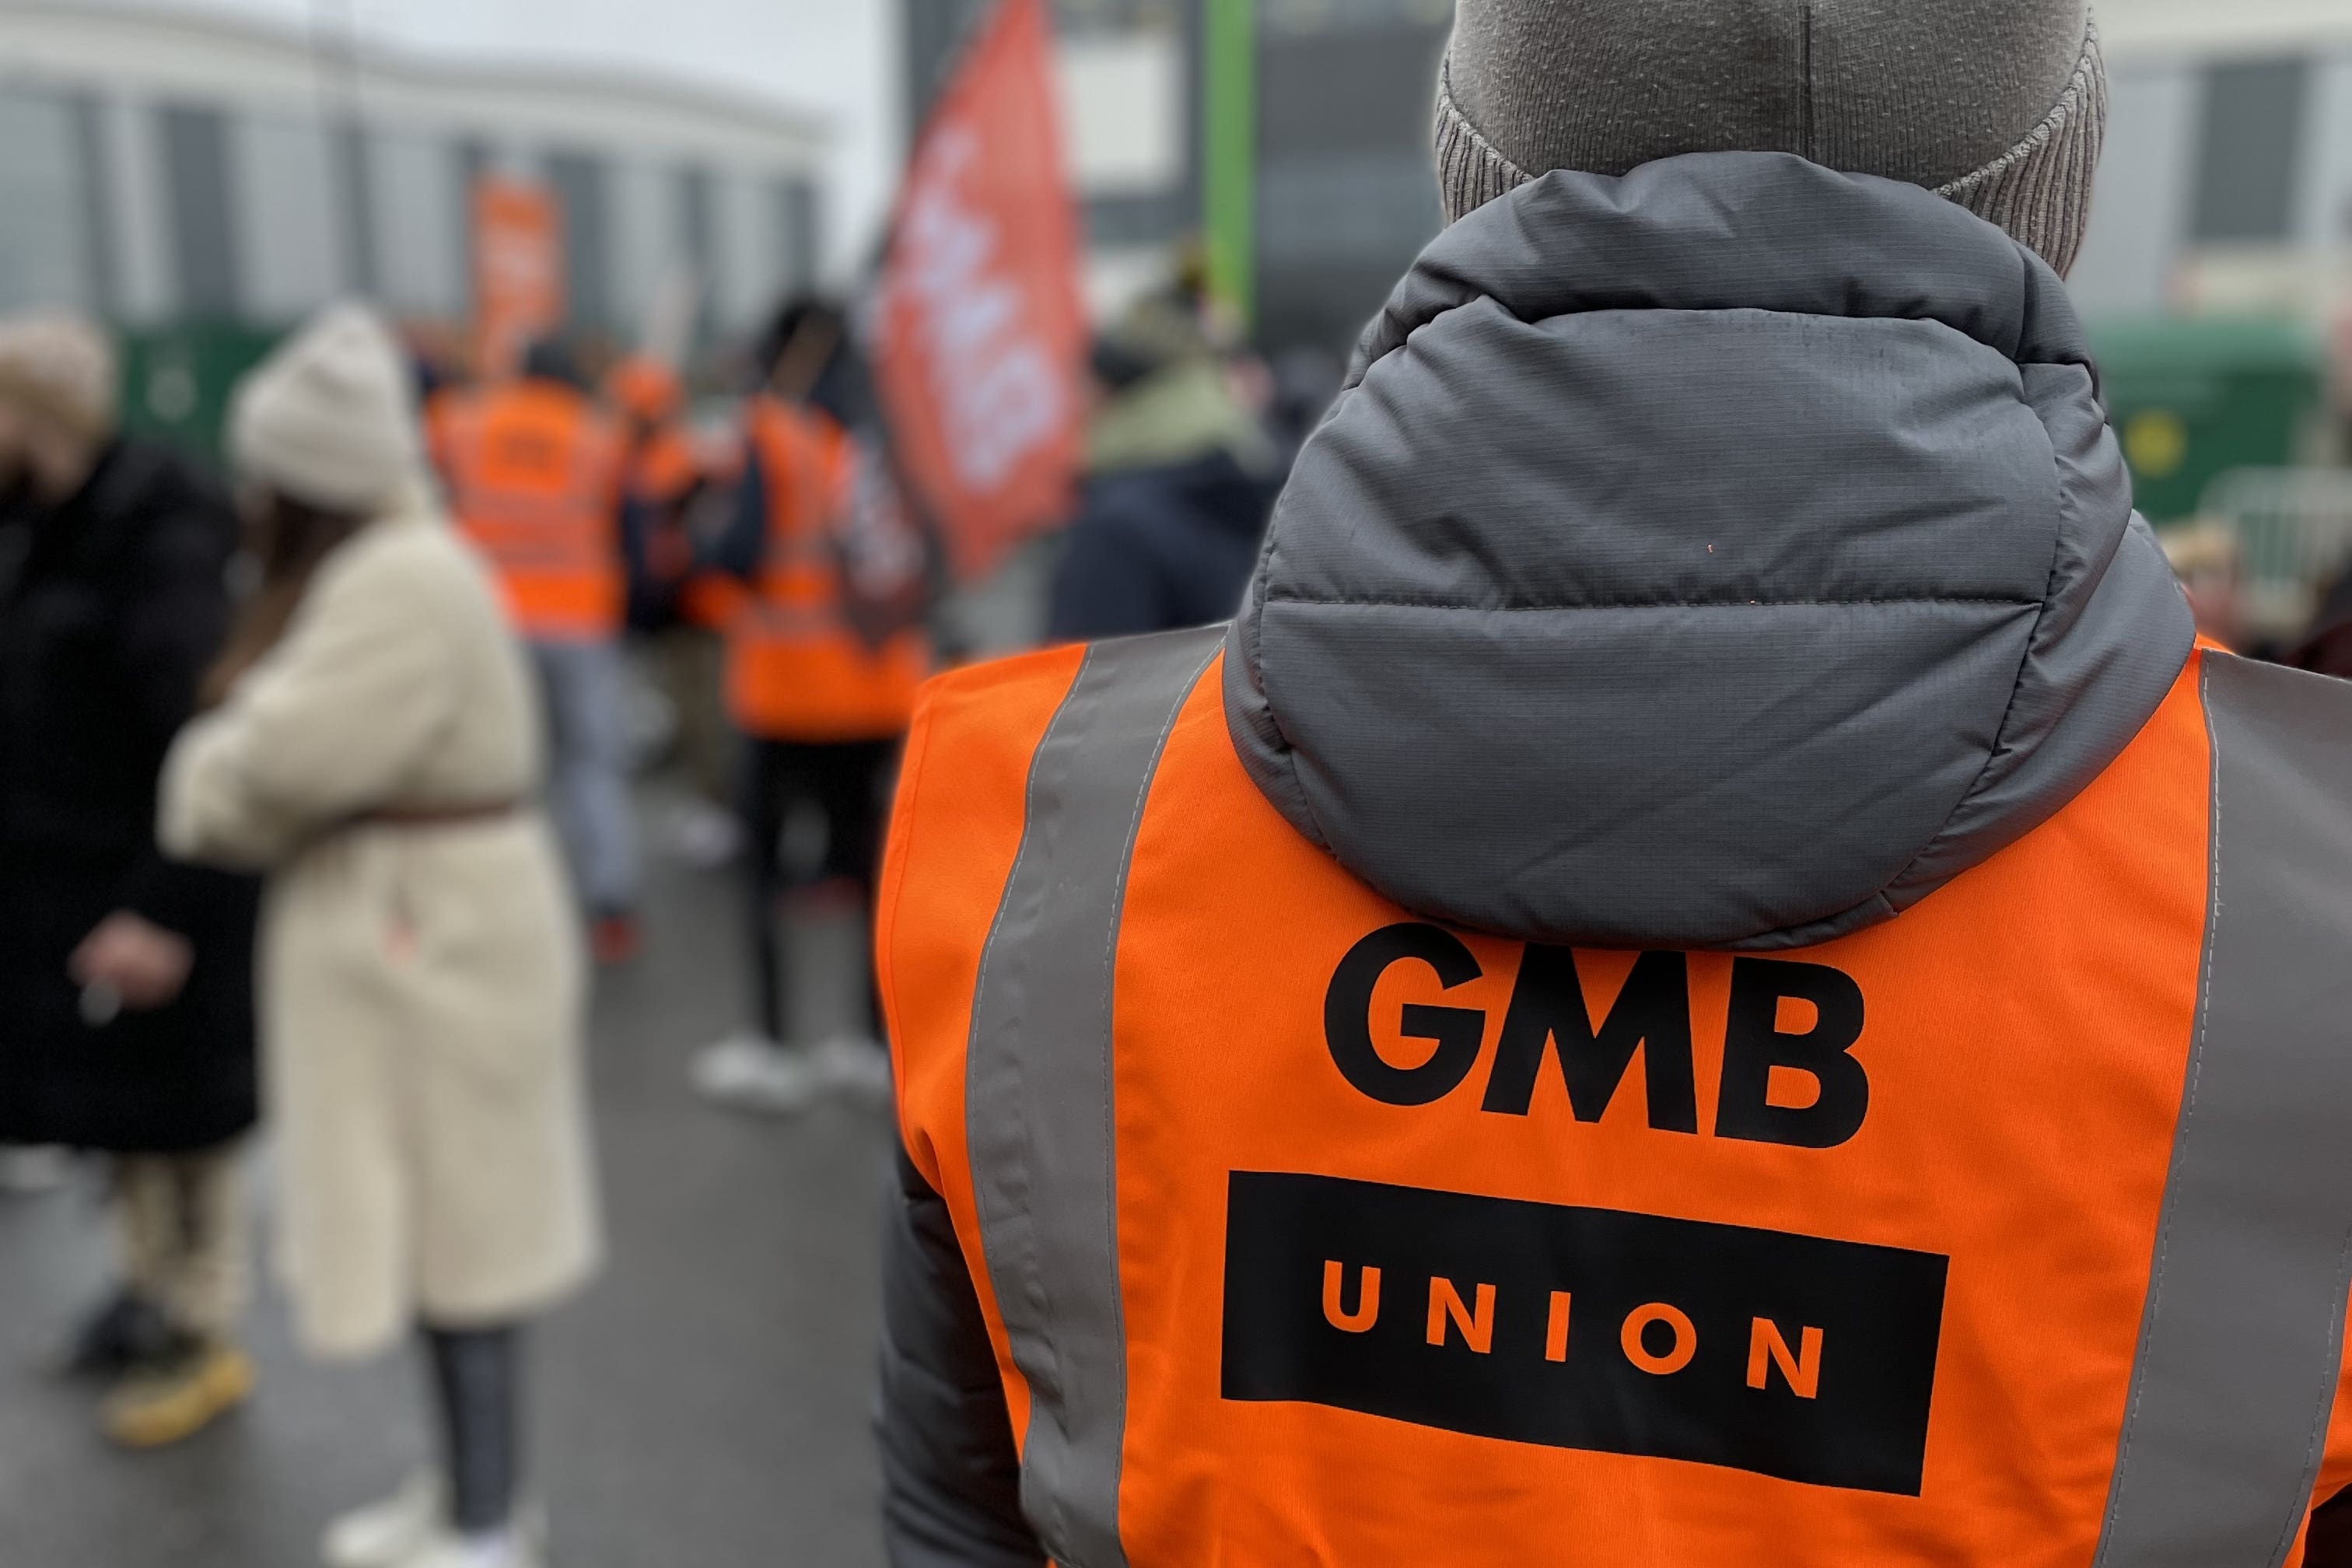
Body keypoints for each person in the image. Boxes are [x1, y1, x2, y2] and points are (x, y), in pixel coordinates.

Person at [871, 5, 2352, 1564]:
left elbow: (958, 1518)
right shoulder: (2296, 923)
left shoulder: (1048, 833)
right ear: (2052, 186)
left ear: (1472, 166)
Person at [161, 304, 600, 1568]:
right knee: (439, 1235)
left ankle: (482, 1520)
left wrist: (204, 768)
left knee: (463, 1239)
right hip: (430, 923)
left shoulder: (395, 579)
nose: (246, 492)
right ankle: (464, 1491)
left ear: (306, 477)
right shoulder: (395, 561)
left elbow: (271, 763)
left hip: (432, 934)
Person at [0, 310, 261, 1448]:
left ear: (41, 411)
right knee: (112, 1113)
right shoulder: (33, 517)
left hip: (155, 878)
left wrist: (163, 905)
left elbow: (199, 736)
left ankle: (203, 1327)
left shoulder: (159, 525)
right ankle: (141, 1291)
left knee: (183, 1117)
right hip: (60, 876)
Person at [690, 300, 928, 1114]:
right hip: (878, 689)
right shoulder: (889, 438)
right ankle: (865, 1045)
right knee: (868, 873)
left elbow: (735, 553)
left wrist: (707, 534)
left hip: (785, 694)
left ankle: (771, 1047)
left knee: (763, 875)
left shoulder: (771, 434)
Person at [427, 341, 639, 964]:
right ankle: (611, 907)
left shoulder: (460, 422)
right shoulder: (600, 434)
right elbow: (631, 532)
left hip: (490, 621)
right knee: (592, 764)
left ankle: (503, 906)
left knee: (503, 766)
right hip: (581, 620)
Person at [1044, 293, 1281, 642]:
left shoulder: (1117, 530)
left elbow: (1082, 685)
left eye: (1086, 387)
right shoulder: (1256, 482)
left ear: (1114, 393)